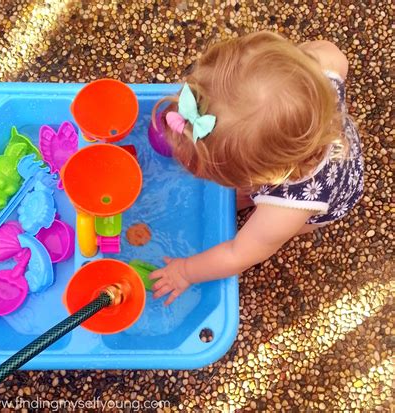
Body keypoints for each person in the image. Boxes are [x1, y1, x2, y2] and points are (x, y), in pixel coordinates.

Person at [149, 31, 363, 305]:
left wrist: (185, 271)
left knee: (264, 233)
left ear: (259, 177)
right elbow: (332, 51)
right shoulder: (325, 66)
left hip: (329, 195)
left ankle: (254, 202)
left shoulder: (286, 208)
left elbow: (237, 254)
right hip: (315, 142)